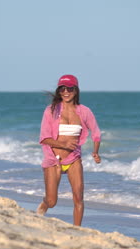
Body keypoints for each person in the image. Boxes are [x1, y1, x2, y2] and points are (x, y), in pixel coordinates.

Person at [36, 74, 101, 226]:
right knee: (52, 201)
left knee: (78, 198)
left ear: (76, 90)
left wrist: (96, 152)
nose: (66, 92)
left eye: (70, 88)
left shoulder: (84, 111)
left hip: (74, 159)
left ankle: (77, 231)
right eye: (62, 89)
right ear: (59, 91)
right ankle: (39, 212)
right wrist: (64, 145)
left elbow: (96, 133)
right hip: (54, 159)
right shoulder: (51, 110)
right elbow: (44, 138)